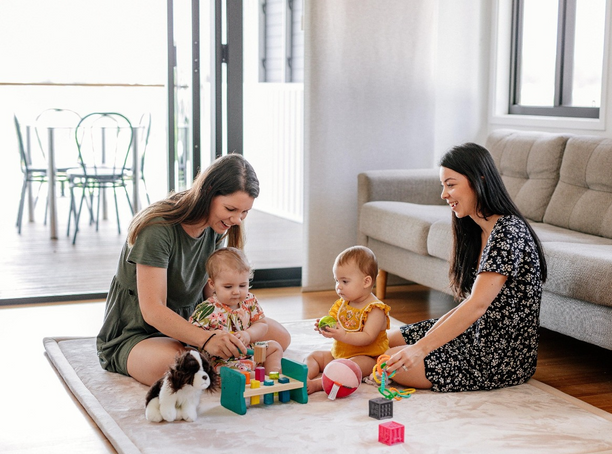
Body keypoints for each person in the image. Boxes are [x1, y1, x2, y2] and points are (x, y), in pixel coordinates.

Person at [96, 153, 291, 386]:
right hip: (141, 331)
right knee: (181, 365)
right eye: (231, 208)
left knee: (279, 336)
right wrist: (207, 339)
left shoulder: (216, 226)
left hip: (194, 322)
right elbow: (153, 311)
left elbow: (214, 294)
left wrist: (232, 328)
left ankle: (217, 360)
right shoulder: (157, 229)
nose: (237, 219)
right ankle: (212, 361)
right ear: (208, 191)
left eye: (244, 212)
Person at [384, 142, 547, 392]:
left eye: (451, 184)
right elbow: (470, 302)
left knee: (389, 362)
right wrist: (424, 343)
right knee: (385, 341)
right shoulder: (476, 229)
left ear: (478, 180)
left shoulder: (508, 231)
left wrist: (420, 349)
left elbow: (477, 304)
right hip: (473, 334)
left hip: (498, 358)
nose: (444, 194)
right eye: (443, 186)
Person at [305, 245, 391, 394]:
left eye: (344, 282)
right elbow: (334, 321)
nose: (338, 287)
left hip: (367, 358)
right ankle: (303, 378)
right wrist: (325, 327)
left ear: (366, 282)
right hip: (338, 354)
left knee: (346, 369)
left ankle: (318, 384)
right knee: (314, 356)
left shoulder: (375, 309)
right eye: (336, 280)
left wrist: (343, 335)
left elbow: (368, 338)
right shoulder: (343, 303)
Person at [189, 247, 282, 375]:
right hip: (223, 360)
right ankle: (247, 377)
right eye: (228, 287)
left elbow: (262, 324)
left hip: (250, 351)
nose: (236, 291)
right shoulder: (206, 309)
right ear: (212, 284)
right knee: (219, 371)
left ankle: (273, 375)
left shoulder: (249, 300)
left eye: (243, 285)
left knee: (275, 347)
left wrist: (248, 334)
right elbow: (193, 336)